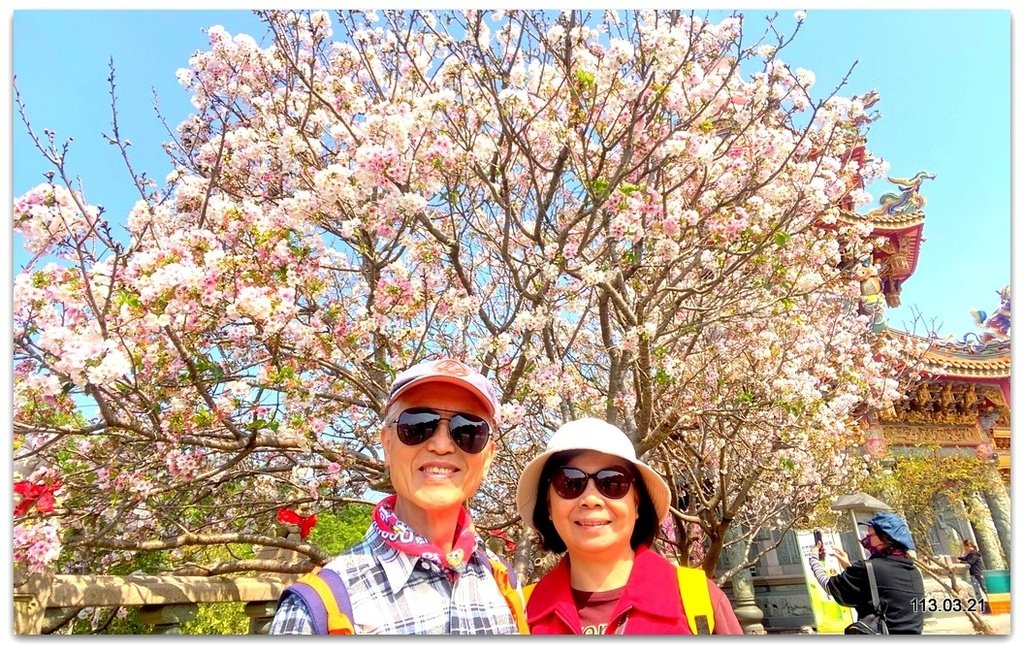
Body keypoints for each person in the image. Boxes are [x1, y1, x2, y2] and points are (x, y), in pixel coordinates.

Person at [270, 358, 524, 635]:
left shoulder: (503, 584)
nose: (441, 445)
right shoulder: (317, 611)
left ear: (488, 458)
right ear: (387, 444)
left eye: (468, 431)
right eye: (417, 425)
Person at [514, 417, 743, 634]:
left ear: (637, 502)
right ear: (548, 505)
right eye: (570, 483)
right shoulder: (523, 615)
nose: (591, 499)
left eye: (613, 482)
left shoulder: (698, 599)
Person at [808, 512, 925, 634]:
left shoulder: (869, 568)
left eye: (870, 534)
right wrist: (848, 567)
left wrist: (813, 558)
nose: (866, 538)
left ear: (884, 538)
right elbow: (882, 593)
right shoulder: (914, 571)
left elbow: (829, 586)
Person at [958, 539, 987, 608]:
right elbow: (965, 558)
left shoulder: (974, 554)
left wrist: (960, 562)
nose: (964, 548)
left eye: (965, 546)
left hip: (978, 573)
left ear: (968, 546)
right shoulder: (971, 554)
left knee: (982, 588)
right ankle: (981, 603)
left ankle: (985, 602)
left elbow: (970, 562)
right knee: (977, 588)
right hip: (974, 573)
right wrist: (959, 559)